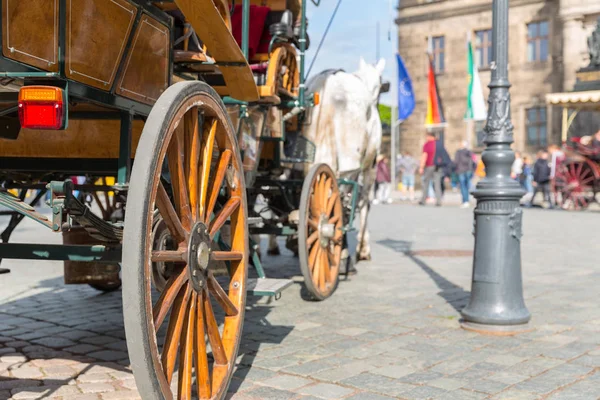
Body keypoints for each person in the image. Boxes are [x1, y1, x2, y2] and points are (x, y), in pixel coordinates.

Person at [418, 131, 442, 206]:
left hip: (429, 165)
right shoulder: (439, 144)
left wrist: (421, 167)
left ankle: (423, 200)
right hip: (438, 166)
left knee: (426, 183)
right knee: (437, 184)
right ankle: (438, 201)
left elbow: (424, 156)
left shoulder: (427, 145)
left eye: (427, 136)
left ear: (430, 136)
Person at [454, 140, 474, 208]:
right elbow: (473, 161)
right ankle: (467, 200)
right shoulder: (469, 152)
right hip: (468, 170)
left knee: (463, 186)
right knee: (467, 185)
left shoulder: (458, 152)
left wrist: (453, 169)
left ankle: (465, 201)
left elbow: (456, 161)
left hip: (461, 170)